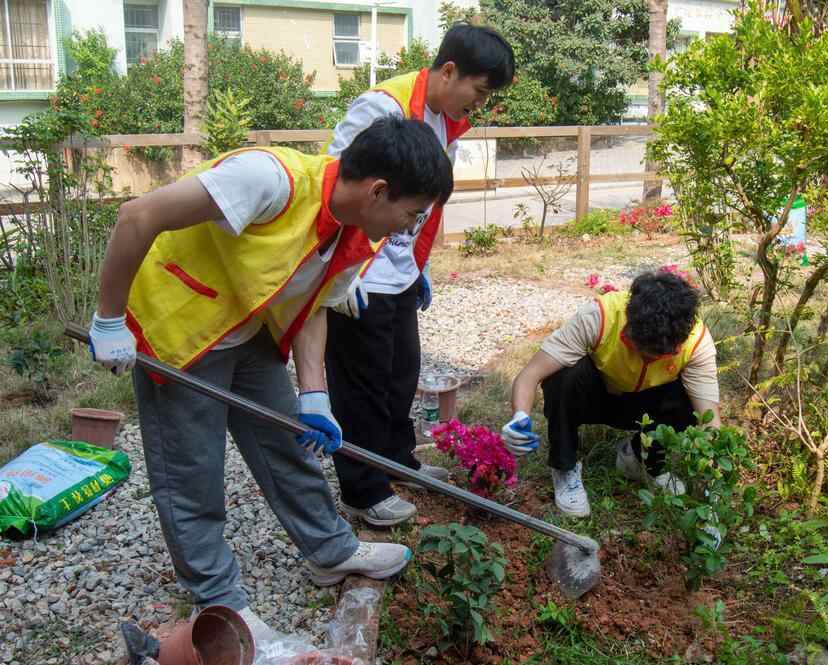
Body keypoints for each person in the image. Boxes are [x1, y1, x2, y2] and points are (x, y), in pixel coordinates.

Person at [87, 117, 453, 634]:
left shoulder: (352, 232)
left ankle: (329, 550)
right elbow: (137, 215)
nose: (409, 229)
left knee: (288, 442)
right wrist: (109, 318)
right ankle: (219, 600)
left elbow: (313, 307)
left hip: (247, 327)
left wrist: (315, 396)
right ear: (377, 191)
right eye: (412, 214)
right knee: (193, 474)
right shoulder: (269, 179)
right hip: (181, 330)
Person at [323, 23, 515, 527]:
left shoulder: (444, 120)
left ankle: (396, 462)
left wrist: (419, 265)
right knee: (362, 387)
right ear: (449, 71)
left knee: (400, 374)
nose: (480, 104)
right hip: (362, 276)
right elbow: (336, 183)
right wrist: (342, 273)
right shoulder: (380, 108)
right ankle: (363, 490)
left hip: (400, 272)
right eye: (480, 91)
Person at [501, 271, 722, 518]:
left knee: (691, 399)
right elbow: (529, 375)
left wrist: (715, 488)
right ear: (629, 323)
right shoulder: (599, 316)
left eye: (658, 356)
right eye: (641, 350)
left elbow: (709, 419)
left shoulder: (697, 341)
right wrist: (519, 418)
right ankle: (564, 467)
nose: (647, 359)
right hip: (597, 397)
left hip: (647, 407)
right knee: (561, 377)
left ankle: (638, 459)